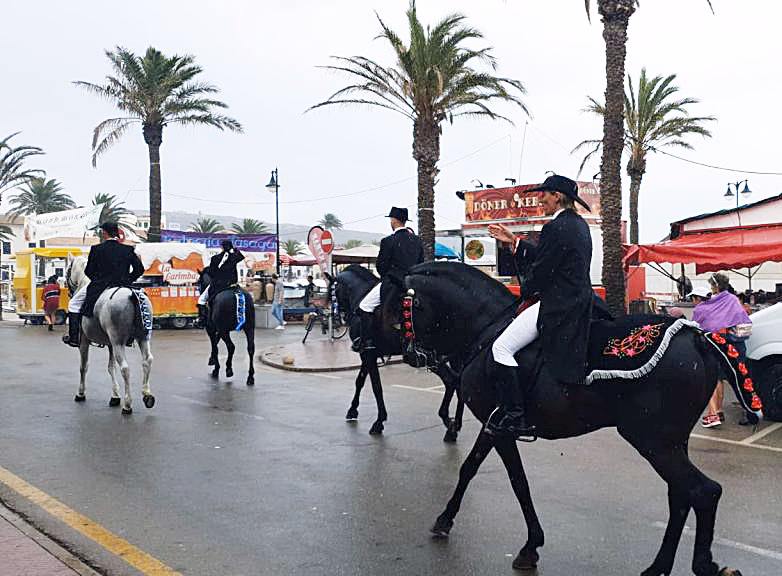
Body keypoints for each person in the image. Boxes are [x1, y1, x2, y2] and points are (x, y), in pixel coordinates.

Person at [486, 174, 593, 439]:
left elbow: (542, 272)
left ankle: (515, 415)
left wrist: (527, 289)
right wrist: (515, 242)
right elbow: (550, 257)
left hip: (559, 305)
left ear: (557, 196)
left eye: (545, 194)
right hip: (579, 301)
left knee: (501, 348)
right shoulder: (578, 225)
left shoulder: (554, 228)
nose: (541, 198)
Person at [353, 206, 424, 351]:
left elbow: (381, 267)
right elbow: (421, 263)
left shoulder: (388, 241)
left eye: (391, 219)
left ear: (393, 220)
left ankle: (367, 343)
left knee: (365, 306)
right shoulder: (417, 241)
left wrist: (389, 277)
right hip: (413, 284)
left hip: (393, 283)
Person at [63, 221, 144, 347]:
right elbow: (139, 270)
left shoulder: (96, 249)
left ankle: (74, 337)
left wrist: (98, 280)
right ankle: (133, 335)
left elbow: (88, 271)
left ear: (105, 233)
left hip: (100, 285)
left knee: (73, 304)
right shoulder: (128, 249)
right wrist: (127, 280)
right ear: (116, 233)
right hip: (123, 285)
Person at [692, 272, 752, 428]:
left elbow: (699, 318)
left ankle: (717, 412)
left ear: (715, 286)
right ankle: (747, 410)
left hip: (717, 344)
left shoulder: (709, 304)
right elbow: (742, 319)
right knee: (738, 378)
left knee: (716, 379)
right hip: (736, 345)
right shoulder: (733, 300)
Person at [196, 240, 244, 327]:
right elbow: (241, 256)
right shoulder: (234, 257)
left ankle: (202, 319)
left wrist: (207, 271)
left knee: (201, 300)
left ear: (221, 247)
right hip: (232, 284)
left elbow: (211, 272)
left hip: (218, 285)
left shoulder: (215, 258)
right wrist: (235, 250)